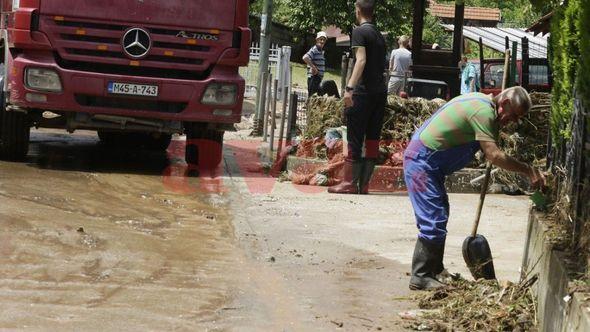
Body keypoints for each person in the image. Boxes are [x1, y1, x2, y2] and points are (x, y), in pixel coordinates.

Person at [403, 87, 545, 290]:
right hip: (422, 162)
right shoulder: (484, 112)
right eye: (513, 116)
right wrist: (528, 170)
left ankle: (435, 270)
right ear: (504, 104)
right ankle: (421, 275)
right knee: (433, 219)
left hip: (429, 164)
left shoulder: (483, 103)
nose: (513, 122)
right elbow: (494, 155)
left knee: (440, 213)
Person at [328, 0, 386, 195]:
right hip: (380, 92)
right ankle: (364, 185)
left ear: (358, 10)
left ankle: (349, 183)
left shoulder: (359, 32)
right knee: (372, 139)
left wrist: (349, 88)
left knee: (354, 137)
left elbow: (360, 60)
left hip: (363, 91)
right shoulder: (379, 35)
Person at [303, 31, 327, 97]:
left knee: (317, 98)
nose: (322, 41)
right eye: (320, 39)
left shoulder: (320, 51)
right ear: (317, 40)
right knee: (312, 98)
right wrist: (313, 67)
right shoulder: (314, 49)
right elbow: (305, 57)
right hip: (314, 78)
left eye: (324, 40)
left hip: (318, 78)